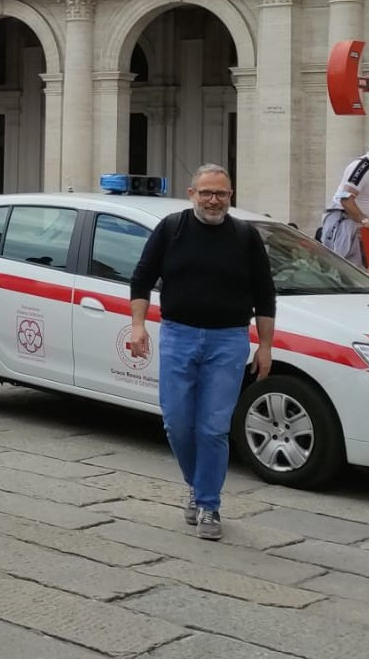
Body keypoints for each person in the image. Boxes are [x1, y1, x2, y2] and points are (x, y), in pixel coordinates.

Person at [127, 164, 274, 542]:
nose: (213, 200)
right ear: (192, 193)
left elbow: (265, 295)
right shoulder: (171, 229)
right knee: (176, 422)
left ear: (230, 196)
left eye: (220, 194)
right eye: (206, 192)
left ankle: (208, 503)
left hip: (228, 340)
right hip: (178, 335)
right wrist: (139, 325)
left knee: (213, 428)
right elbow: (141, 277)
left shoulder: (245, 237)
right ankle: (197, 484)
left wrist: (266, 346)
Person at [316, 131, 369, 266]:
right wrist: (365, 220)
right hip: (344, 221)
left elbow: (368, 186)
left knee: (358, 272)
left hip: (357, 225)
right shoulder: (362, 168)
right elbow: (345, 199)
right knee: (342, 268)